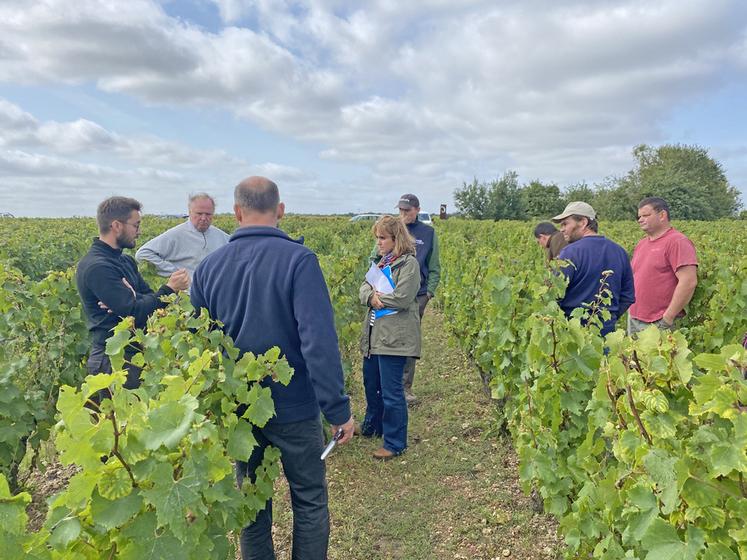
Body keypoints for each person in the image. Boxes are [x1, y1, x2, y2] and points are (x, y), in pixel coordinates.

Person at [190, 176, 353, 560]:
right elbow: (318, 342)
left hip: (240, 413)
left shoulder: (209, 268)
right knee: (309, 499)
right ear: (280, 210)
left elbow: (198, 348)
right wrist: (338, 410)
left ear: (235, 212)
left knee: (252, 505)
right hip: (296, 409)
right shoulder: (300, 261)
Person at [76, 196, 190, 392]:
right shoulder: (97, 267)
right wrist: (169, 289)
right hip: (111, 361)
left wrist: (134, 300)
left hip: (134, 355)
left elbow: (144, 301)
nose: (139, 232)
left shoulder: (126, 261)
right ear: (117, 226)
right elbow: (136, 311)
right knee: (118, 422)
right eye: (136, 225)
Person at [359, 215, 421, 460]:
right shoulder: (381, 262)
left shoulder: (409, 265)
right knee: (371, 385)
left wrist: (376, 299)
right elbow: (363, 287)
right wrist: (369, 296)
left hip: (394, 339)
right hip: (374, 336)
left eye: (383, 238)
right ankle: (373, 427)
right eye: (377, 238)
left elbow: (403, 297)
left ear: (397, 239)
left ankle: (395, 443)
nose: (378, 243)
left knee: (391, 391)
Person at [552, 201, 635, 337]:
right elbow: (628, 296)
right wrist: (607, 319)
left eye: (565, 223)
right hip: (608, 335)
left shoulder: (569, 253)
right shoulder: (620, 252)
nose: (561, 229)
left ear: (583, 222)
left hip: (572, 335)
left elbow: (554, 296)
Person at [628, 197, 698, 335]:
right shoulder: (641, 244)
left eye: (646, 215)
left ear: (662, 215)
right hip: (635, 319)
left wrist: (668, 318)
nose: (640, 220)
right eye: (639, 216)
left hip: (659, 322)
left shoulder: (677, 242)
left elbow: (688, 282)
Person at [397, 193, 440, 404]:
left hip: (418, 296)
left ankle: (405, 388)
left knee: (409, 339)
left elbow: (434, 266)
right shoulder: (392, 230)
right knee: (389, 339)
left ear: (417, 210)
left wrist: (429, 292)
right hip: (391, 294)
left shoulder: (428, 233)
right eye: (401, 210)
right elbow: (374, 258)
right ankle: (389, 385)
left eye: (407, 210)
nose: (403, 214)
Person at [135, 193, 229, 287]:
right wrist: (176, 273)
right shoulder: (175, 234)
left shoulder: (223, 237)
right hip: (187, 297)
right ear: (189, 212)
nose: (204, 218)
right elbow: (143, 253)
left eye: (208, 214)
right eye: (199, 213)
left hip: (216, 295)